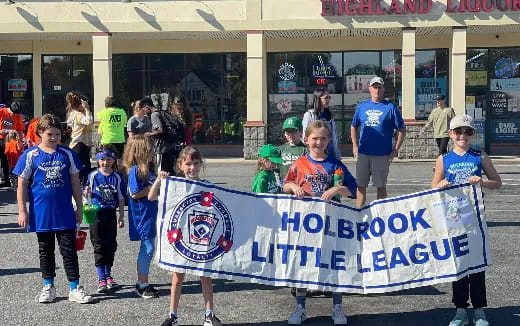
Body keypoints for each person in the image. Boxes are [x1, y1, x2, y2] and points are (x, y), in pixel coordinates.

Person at [283, 121, 357, 325]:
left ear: (329, 141)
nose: (319, 142)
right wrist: (292, 187)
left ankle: (337, 307)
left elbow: (353, 188)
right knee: (302, 263)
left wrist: (336, 190)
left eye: (323, 138)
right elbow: (285, 185)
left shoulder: (335, 165)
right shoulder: (299, 164)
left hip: (330, 223)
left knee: (333, 263)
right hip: (305, 224)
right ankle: (300, 307)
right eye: (315, 138)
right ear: (306, 140)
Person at [14, 114, 93, 304]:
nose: (54, 138)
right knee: (45, 250)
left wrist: (79, 208)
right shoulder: (30, 155)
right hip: (41, 213)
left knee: (69, 250)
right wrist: (22, 211)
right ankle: (48, 286)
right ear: (40, 133)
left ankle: (74, 287)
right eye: (50, 134)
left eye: (58, 134)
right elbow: (21, 184)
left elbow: (75, 181)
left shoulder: (67, 154)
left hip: (64, 212)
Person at [431, 114, 501, 326]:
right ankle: (460, 309)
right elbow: (432, 187)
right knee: (459, 265)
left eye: (467, 131)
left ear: (472, 134)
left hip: (475, 220)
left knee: (477, 265)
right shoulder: (444, 159)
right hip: (453, 220)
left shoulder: (480, 156)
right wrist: (440, 185)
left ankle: (479, 310)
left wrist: (483, 181)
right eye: (458, 131)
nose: (463, 135)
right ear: (451, 134)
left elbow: (496, 182)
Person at [148, 146, 223, 326]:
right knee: (178, 275)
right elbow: (151, 197)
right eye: (188, 163)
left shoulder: (206, 186)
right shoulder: (173, 186)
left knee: (205, 275)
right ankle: (172, 315)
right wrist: (159, 180)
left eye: (196, 163)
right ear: (180, 165)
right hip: (181, 238)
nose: (192, 167)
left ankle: (209, 314)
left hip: (200, 238)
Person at [350, 76, 406, 208]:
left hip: (382, 154)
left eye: (379, 87)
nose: (377, 90)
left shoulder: (390, 107)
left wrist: (395, 150)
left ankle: (380, 214)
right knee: (361, 186)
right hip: (363, 153)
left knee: (380, 187)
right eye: (374, 87)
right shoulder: (362, 107)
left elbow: (402, 129)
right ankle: (358, 213)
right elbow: (354, 126)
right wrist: (354, 145)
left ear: (383, 89)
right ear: (369, 89)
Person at [121, 135, 160, 299]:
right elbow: (135, 193)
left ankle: (144, 281)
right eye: (149, 149)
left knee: (149, 248)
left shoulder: (149, 170)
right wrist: (154, 186)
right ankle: (141, 284)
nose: (152, 152)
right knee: (148, 248)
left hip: (150, 214)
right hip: (142, 216)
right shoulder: (135, 170)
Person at [84, 146, 125, 294]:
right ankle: (101, 277)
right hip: (96, 214)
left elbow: (121, 198)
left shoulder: (117, 177)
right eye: (102, 159)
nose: (105, 162)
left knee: (111, 244)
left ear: (114, 160)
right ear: (97, 160)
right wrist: (86, 193)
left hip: (110, 213)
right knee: (99, 245)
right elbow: (86, 193)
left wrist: (121, 216)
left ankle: (108, 275)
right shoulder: (93, 175)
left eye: (108, 159)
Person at [148, 97, 186, 174]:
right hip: (172, 146)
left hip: (162, 148)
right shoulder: (169, 115)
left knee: (160, 172)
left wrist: (149, 134)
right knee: (170, 171)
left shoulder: (155, 114)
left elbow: (160, 130)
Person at [302, 88, 341, 160]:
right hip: (317, 153)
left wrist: (337, 155)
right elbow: (305, 135)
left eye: (329, 97)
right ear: (318, 99)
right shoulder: (310, 115)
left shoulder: (329, 115)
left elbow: (333, 136)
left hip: (331, 152)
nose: (328, 100)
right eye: (326, 98)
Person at [66, 91, 94, 184]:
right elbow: (89, 121)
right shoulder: (78, 114)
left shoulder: (72, 113)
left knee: (81, 168)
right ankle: (82, 188)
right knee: (83, 169)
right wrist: (87, 109)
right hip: (80, 144)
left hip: (78, 144)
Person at [0, 100, 25, 186]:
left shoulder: (17, 117)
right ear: (9, 109)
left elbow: (20, 131)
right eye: (12, 113)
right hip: (0, 138)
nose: (13, 115)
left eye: (16, 113)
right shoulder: (2, 112)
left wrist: (20, 144)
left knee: (6, 161)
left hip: (10, 141)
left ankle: (6, 180)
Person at [278, 117, 307, 181]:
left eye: (294, 131)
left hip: (299, 184)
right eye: (288, 132)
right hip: (284, 184)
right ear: (285, 134)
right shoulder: (280, 149)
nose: (291, 134)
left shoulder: (305, 149)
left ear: (300, 131)